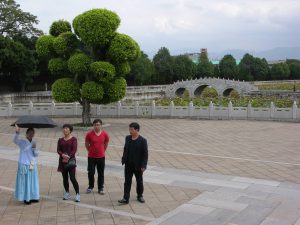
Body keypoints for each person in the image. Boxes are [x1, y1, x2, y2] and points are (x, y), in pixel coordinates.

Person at [118, 122, 148, 204]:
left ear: (137, 130)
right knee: (127, 181)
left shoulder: (143, 141)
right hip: (128, 164)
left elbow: (145, 154)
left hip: (138, 165)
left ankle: (140, 195)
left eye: (131, 129)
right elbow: (125, 149)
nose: (130, 131)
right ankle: (125, 198)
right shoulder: (127, 138)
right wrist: (123, 158)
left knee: (139, 181)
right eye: (129, 129)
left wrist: (143, 165)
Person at [13, 125, 40, 205]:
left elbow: (36, 154)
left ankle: (34, 197)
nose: (31, 135)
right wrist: (17, 132)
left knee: (33, 181)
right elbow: (15, 140)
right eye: (29, 133)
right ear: (26, 134)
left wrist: (34, 148)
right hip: (23, 163)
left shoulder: (34, 142)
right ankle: (26, 198)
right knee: (24, 182)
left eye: (32, 133)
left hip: (32, 164)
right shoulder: (22, 142)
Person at [85, 119, 109, 194]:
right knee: (91, 172)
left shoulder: (105, 134)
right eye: (95, 125)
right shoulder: (89, 134)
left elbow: (106, 143)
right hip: (91, 157)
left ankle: (100, 188)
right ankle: (90, 186)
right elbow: (86, 144)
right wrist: (90, 150)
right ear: (93, 126)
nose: (96, 126)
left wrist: (103, 150)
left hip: (101, 157)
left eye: (98, 125)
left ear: (101, 125)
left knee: (101, 173)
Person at [57, 124, 80, 202]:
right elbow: (58, 150)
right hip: (62, 161)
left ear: (70, 130)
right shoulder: (60, 140)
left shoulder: (74, 139)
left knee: (73, 178)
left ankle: (77, 194)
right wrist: (62, 155)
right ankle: (67, 192)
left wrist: (68, 156)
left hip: (71, 161)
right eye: (64, 128)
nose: (65, 130)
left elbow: (74, 150)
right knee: (65, 178)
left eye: (66, 128)